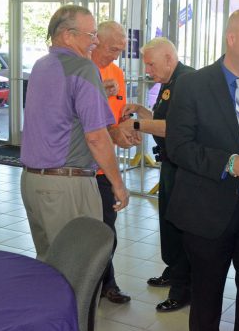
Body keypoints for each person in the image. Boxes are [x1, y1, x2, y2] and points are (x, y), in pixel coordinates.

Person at [164, 8, 239, 331]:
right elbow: (179, 147)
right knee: (206, 297)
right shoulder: (192, 85)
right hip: (206, 212)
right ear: (231, 38)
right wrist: (229, 163)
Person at [20, 5, 129, 261]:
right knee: (78, 268)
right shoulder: (83, 68)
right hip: (66, 184)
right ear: (68, 36)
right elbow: (97, 137)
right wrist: (118, 184)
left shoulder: (42, 65)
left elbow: (60, 112)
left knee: (48, 265)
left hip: (32, 182)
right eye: (91, 35)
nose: (96, 41)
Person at [119, 37, 194, 312]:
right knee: (168, 224)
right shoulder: (169, 83)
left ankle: (183, 288)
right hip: (169, 165)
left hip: (184, 169)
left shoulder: (187, 82)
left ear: (168, 58)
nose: (148, 70)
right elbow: (161, 118)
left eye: (151, 64)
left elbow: (174, 127)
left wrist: (137, 122)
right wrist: (142, 111)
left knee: (181, 227)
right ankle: (174, 271)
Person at [90, 20, 138, 304]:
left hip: (105, 167)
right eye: (112, 48)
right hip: (80, 167)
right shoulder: (83, 71)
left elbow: (115, 120)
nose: (117, 54)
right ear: (96, 41)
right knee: (86, 229)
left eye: (121, 49)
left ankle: (108, 282)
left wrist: (125, 133)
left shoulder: (117, 73)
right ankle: (91, 285)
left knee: (108, 229)